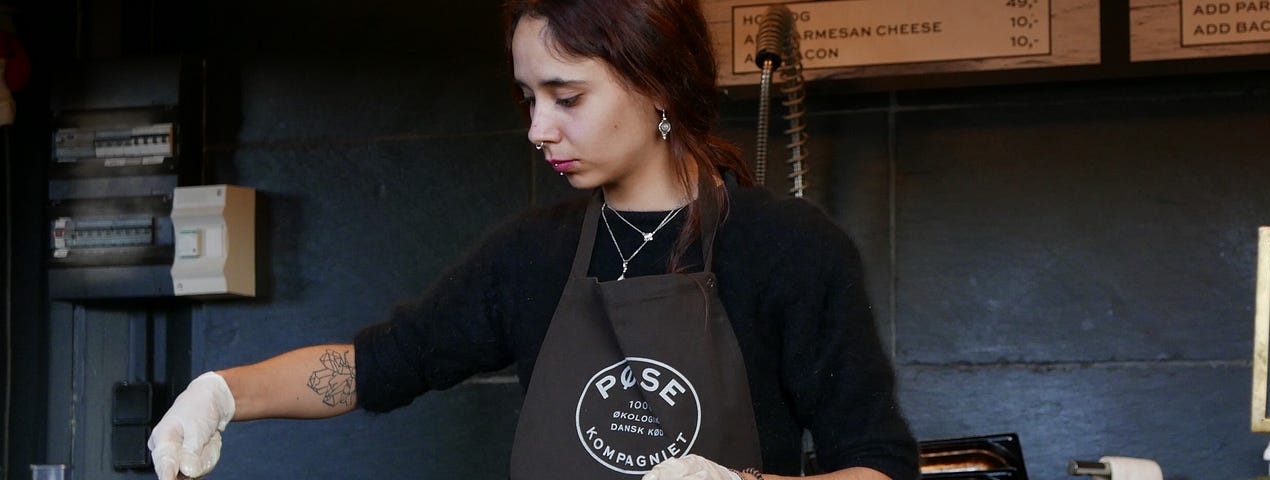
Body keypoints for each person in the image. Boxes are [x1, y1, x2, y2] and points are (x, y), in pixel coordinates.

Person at [145, 1, 919, 479]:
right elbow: (380, 365)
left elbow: (879, 467)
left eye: (566, 96)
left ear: (657, 84)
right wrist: (222, 394)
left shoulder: (788, 250)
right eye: (527, 97)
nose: (537, 129)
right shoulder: (531, 256)